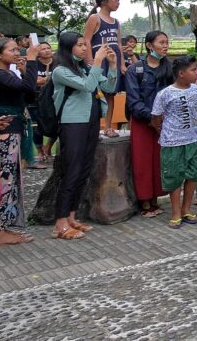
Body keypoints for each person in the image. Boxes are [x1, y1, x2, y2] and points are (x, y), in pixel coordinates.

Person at [51, 32, 117, 240]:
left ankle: (71, 217)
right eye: (79, 45)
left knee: (83, 170)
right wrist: (97, 61)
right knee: (71, 170)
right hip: (72, 123)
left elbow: (109, 87)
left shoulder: (86, 68)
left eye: (84, 45)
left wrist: (113, 65)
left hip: (90, 122)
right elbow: (87, 86)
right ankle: (60, 223)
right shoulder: (60, 70)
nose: (84, 48)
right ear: (68, 47)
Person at [150, 56, 197, 228]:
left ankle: (186, 209)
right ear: (181, 73)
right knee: (174, 177)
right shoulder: (165, 94)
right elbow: (156, 118)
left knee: (192, 175)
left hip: (194, 140)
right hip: (173, 143)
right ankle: (175, 212)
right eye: (193, 70)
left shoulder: (195, 89)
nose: (196, 72)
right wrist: (164, 131)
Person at [124, 30, 173, 218]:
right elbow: (133, 100)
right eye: (161, 42)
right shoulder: (135, 69)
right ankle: (144, 202)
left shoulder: (169, 68)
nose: (165, 46)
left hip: (165, 122)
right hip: (143, 122)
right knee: (142, 161)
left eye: (167, 42)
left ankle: (155, 199)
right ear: (149, 45)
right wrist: (151, 118)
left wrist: (163, 119)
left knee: (160, 161)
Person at [0, 37, 40, 245]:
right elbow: (28, 89)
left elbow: (29, 96)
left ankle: (4, 226)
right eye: (12, 50)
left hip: (14, 130)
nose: (17, 53)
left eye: (18, 49)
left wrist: (25, 70)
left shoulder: (9, 74)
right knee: (4, 182)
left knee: (11, 181)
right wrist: (31, 61)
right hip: (4, 134)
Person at [83, 0, 124, 138]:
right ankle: (92, 126)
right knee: (94, 94)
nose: (118, 2)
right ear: (104, 2)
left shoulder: (116, 22)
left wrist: (122, 65)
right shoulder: (95, 18)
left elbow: (119, 44)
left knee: (111, 94)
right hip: (98, 60)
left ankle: (108, 127)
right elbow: (86, 40)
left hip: (112, 62)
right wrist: (90, 61)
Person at [27, 40, 55, 168]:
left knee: (56, 123)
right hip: (35, 98)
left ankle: (48, 145)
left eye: (48, 48)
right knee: (36, 125)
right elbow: (32, 81)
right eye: (42, 48)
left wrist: (43, 81)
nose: (46, 50)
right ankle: (39, 150)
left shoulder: (57, 63)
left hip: (52, 98)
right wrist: (45, 80)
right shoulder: (34, 64)